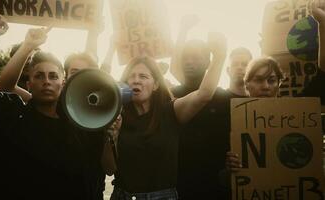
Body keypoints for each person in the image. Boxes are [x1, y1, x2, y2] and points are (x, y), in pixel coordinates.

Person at [0, 14, 103, 200]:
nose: (46, 81)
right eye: (39, 76)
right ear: (29, 84)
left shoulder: (81, 126)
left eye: (53, 76)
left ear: (63, 83)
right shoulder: (12, 114)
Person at [102, 31, 227, 200]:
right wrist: (110, 138)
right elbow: (109, 169)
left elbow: (203, 94)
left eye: (143, 76)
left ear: (155, 85)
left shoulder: (170, 112)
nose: (136, 80)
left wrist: (219, 57)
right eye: (131, 77)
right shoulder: (118, 117)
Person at [226, 0, 325, 173]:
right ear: (247, 84)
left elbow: (323, 71)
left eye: (271, 80)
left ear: (279, 83)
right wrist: (228, 165)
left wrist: (322, 23)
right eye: (258, 80)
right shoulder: (231, 118)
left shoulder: (297, 112)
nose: (265, 86)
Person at [173, 45, 252, 199]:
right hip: (182, 183)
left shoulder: (235, 101)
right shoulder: (172, 95)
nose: (189, 62)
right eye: (236, 63)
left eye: (245, 64)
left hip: (217, 186)